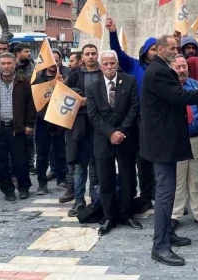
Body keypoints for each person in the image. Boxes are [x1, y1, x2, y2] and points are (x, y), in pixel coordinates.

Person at [141, 35, 198, 266]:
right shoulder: (158, 72)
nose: (176, 51)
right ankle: (160, 246)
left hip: (167, 140)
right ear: (158, 49)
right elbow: (180, 97)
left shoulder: (162, 68)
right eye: (172, 48)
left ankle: (167, 234)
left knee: (169, 192)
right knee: (166, 194)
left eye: (177, 47)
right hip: (162, 143)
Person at [86, 50, 142, 236]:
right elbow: (93, 116)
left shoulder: (129, 81)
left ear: (117, 64)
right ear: (101, 66)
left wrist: (121, 132)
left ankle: (126, 213)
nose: (109, 67)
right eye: (106, 64)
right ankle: (109, 215)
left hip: (126, 138)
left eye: (112, 63)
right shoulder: (93, 87)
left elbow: (134, 108)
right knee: (105, 178)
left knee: (127, 176)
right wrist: (110, 133)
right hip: (103, 139)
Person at [106, 17, 158, 212]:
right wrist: (112, 32)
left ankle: (158, 194)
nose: (155, 52)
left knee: (157, 160)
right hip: (136, 120)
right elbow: (117, 53)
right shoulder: (133, 66)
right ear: (145, 51)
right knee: (141, 159)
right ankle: (144, 195)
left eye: (157, 49)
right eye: (152, 49)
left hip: (155, 120)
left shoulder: (163, 69)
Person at [170, 55, 198, 230]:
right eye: (178, 67)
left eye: (184, 67)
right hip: (177, 141)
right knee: (178, 180)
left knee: (197, 179)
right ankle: (175, 214)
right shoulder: (169, 88)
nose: (181, 70)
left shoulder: (197, 85)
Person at [0, 52, 36, 201]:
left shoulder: (24, 81)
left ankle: (23, 188)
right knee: (1, 162)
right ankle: (7, 190)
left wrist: (29, 124)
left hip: (17, 127)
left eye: (9, 63)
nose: (6, 66)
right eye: (3, 64)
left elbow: (31, 104)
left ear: (14, 64)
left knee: (20, 160)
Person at [62, 44, 102, 212]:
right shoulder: (74, 76)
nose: (91, 57)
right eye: (87, 54)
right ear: (83, 57)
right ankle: (79, 200)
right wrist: (80, 98)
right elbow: (66, 93)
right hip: (78, 126)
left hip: (98, 125)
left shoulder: (103, 74)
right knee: (79, 165)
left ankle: (95, 199)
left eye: (93, 53)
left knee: (96, 165)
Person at [32, 57, 67, 195]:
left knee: (61, 152)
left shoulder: (66, 75)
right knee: (41, 154)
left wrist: (64, 85)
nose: (53, 64)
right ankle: (42, 183)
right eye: (50, 61)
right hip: (42, 120)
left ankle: (62, 179)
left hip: (59, 118)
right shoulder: (37, 79)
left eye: (56, 60)